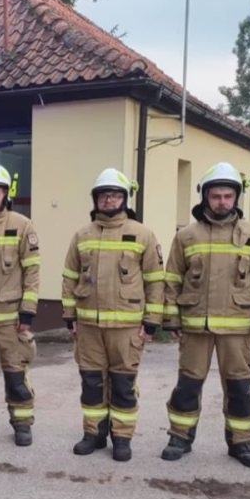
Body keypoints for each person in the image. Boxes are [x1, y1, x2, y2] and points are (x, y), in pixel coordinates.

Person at [161, 162, 250, 468]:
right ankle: (180, 437)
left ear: (236, 197)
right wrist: (171, 318)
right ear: (205, 197)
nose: (222, 202)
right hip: (195, 325)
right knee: (188, 385)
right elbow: (171, 280)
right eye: (216, 196)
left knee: (239, 387)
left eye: (227, 196)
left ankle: (242, 442)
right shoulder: (186, 236)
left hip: (238, 327)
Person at [62, 168, 164, 462]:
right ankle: (93, 434)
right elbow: (69, 277)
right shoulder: (82, 235)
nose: (109, 200)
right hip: (89, 326)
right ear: (95, 199)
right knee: (91, 383)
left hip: (126, 326)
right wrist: (70, 316)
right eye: (104, 195)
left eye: (115, 195)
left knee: (122, 384)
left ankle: (122, 438)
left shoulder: (143, 234)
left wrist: (151, 322)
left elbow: (155, 281)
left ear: (124, 199)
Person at [0, 162, 39, 446]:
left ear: (5, 194)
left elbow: (32, 271)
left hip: (10, 318)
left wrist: (28, 312)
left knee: (15, 374)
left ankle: (22, 424)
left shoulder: (22, 225)